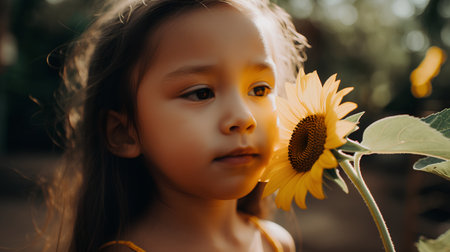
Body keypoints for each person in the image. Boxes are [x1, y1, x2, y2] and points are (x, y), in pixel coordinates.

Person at [48, 0, 308, 251]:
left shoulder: (275, 243)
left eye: (260, 90)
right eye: (201, 93)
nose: (243, 118)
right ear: (124, 133)